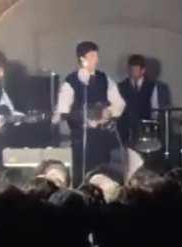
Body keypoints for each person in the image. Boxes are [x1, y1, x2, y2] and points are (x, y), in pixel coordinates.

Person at [53, 41, 126, 187]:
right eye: (92, 56)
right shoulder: (71, 81)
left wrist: (109, 112)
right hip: (81, 138)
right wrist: (82, 117)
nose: (96, 59)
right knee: (83, 174)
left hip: (102, 137)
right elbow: (63, 110)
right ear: (82, 59)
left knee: (104, 173)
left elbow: (119, 103)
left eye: (97, 56)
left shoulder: (104, 78)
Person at [117, 54, 160, 145]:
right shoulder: (121, 86)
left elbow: (154, 108)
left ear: (143, 70)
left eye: (136, 70)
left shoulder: (151, 86)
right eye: (131, 70)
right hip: (126, 127)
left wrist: (152, 126)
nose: (133, 73)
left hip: (144, 127)